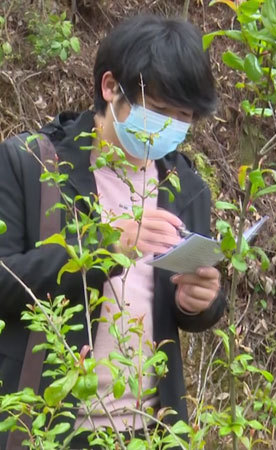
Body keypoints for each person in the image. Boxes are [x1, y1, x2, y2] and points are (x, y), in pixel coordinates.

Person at [0, 14, 226, 445]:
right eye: (158, 111)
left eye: (182, 117)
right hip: (49, 429)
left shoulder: (186, 187)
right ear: (110, 87)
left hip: (151, 430)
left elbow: (183, 304)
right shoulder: (30, 165)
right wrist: (106, 247)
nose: (169, 128)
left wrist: (203, 303)